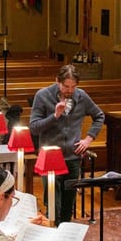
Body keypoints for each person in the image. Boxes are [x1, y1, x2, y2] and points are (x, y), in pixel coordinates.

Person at [29, 64, 105, 224]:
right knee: (53, 204)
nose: (69, 91)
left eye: (73, 87)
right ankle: (51, 235)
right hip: (49, 159)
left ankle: (64, 238)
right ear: (57, 81)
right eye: (66, 86)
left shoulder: (81, 96)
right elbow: (34, 128)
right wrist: (55, 116)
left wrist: (88, 139)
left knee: (68, 205)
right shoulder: (42, 96)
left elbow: (99, 116)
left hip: (72, 157)